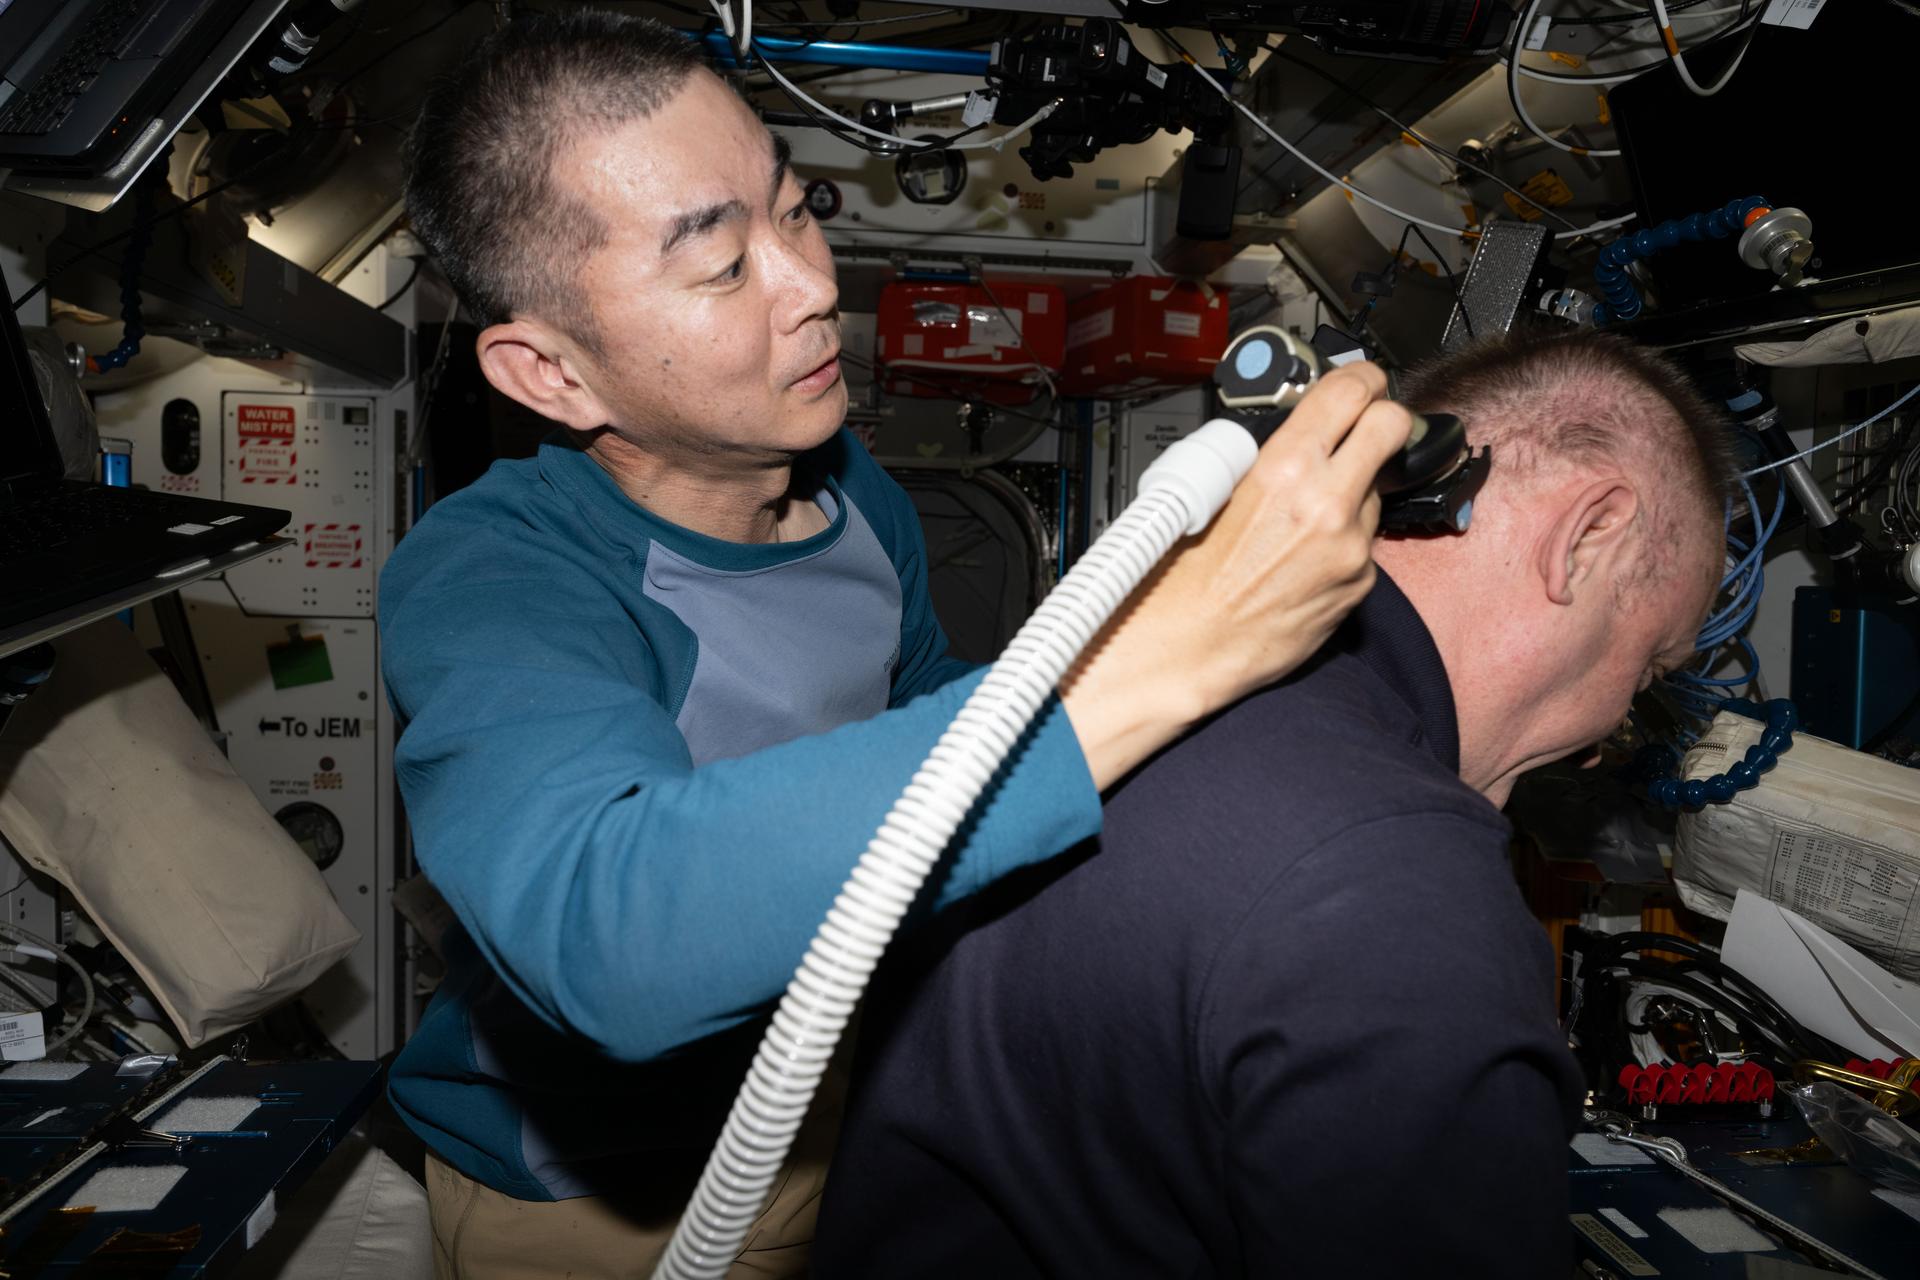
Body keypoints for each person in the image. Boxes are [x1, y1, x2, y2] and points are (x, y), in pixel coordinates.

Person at [379, 10, 1412, 1278]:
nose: (815, 283)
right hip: (602, 1196)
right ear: (552, 374)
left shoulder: (850, 483)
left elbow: (917, 700)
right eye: (720, 267)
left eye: (797, 205)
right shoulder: (497, 574)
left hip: (844, 1097)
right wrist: (1172, 655)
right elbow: (607, 931)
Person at [812, 328, 1737, 1279]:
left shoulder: (1096, 699)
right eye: (1652, 660)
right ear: (1585, 536)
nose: (1603, 741)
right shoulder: (1400, 880)